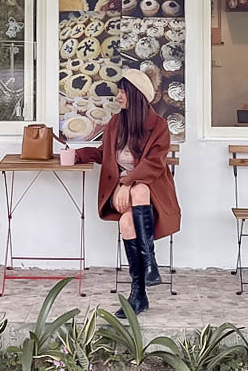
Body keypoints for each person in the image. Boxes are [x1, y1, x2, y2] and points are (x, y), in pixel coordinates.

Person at [74, 69, 181, 316]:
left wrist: (128, 183)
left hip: (148, 195)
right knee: (138, 190)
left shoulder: (159, 126)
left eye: (123, 91)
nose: (118, 96)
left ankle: (139, 295)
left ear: (136, 95)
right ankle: (151, 264)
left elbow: (154, 163)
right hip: (120, 193)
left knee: (127, 220)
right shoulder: (115, 124)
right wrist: (78, 155)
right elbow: (104, 154)